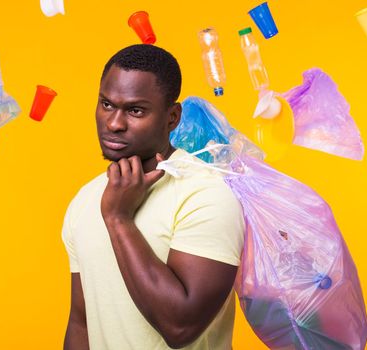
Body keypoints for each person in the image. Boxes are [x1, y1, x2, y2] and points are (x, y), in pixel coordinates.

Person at [62, 44, 245, 350]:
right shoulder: (85, 199)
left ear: (172, 117)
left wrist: (119, 219)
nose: (114, 123)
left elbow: (180, 326)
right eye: (107, 105)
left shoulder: (206, 193)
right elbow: (81, 321)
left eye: (135, 110)